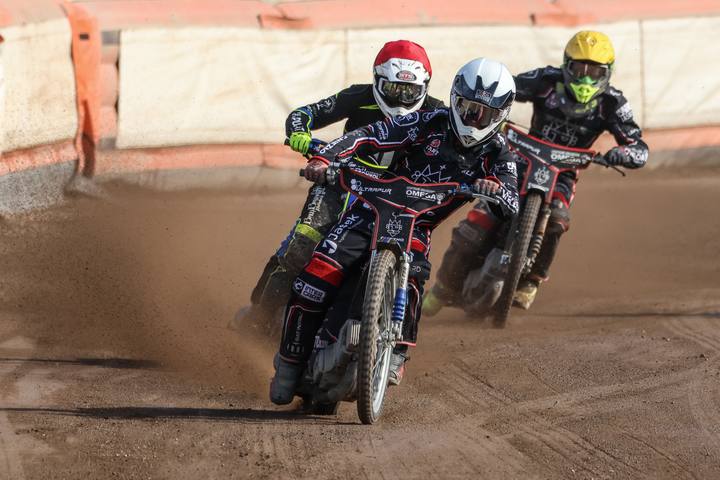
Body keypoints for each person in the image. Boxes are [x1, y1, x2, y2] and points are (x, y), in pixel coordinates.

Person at [270, 58, 520, 405]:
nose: (473, 119)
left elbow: (512, 199)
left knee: (414, 278)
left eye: (485, 114)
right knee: (314, 278)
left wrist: (497, 191)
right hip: (368, 211)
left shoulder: (499, 152)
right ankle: (288, 363)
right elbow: (368, 135)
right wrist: (325, 158)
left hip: (416, 227)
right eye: (467, 108)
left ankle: (398, 353)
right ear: (453, 98)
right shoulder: (425, 121)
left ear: (501, 114)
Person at [423, 30, 649, 315]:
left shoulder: (613, 103)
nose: (585, 79)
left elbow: (639, 146)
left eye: (595, 72)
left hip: (564, 173)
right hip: (519, 161)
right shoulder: (546, 80)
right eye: (579, 69)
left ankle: (532, 281)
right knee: (477, 223)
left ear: (608, 73)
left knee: (557, 219)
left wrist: (623, 153)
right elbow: (506, 88)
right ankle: (442, 289)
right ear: (566, 65)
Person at [236, 40, 444, 331]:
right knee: (303, 244)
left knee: (413, 260)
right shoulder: (357, 96)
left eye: (409, 91)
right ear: (377, 81)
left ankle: (390, 334)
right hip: (339, 183)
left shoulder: (437, 112)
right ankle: (260, 313)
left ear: (425, 87)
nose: (401, 99)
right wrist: (300, 135)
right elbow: (302, 114)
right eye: (393, 89)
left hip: (395, 197)